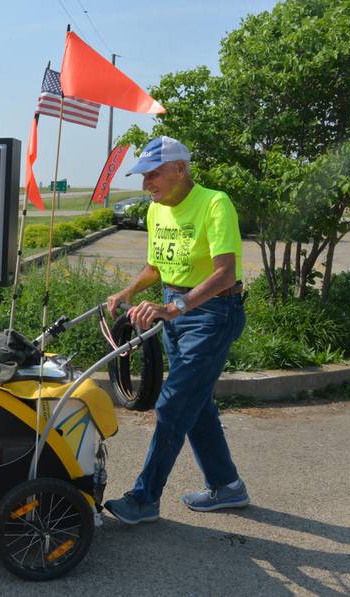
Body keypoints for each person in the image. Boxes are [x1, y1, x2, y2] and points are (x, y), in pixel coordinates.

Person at [104, 136, 248, 525]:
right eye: (143, 175)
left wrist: (173, 308)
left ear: (181, 169)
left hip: (213, 313)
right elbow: (157, 267)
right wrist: (128, 291)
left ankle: (144, 498)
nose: (146, 183)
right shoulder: (156, 211)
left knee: (172, 403)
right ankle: (227, 486)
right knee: (195, 402)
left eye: (154, 173)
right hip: (176, 313)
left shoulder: (214, 203)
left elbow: (225, 274)